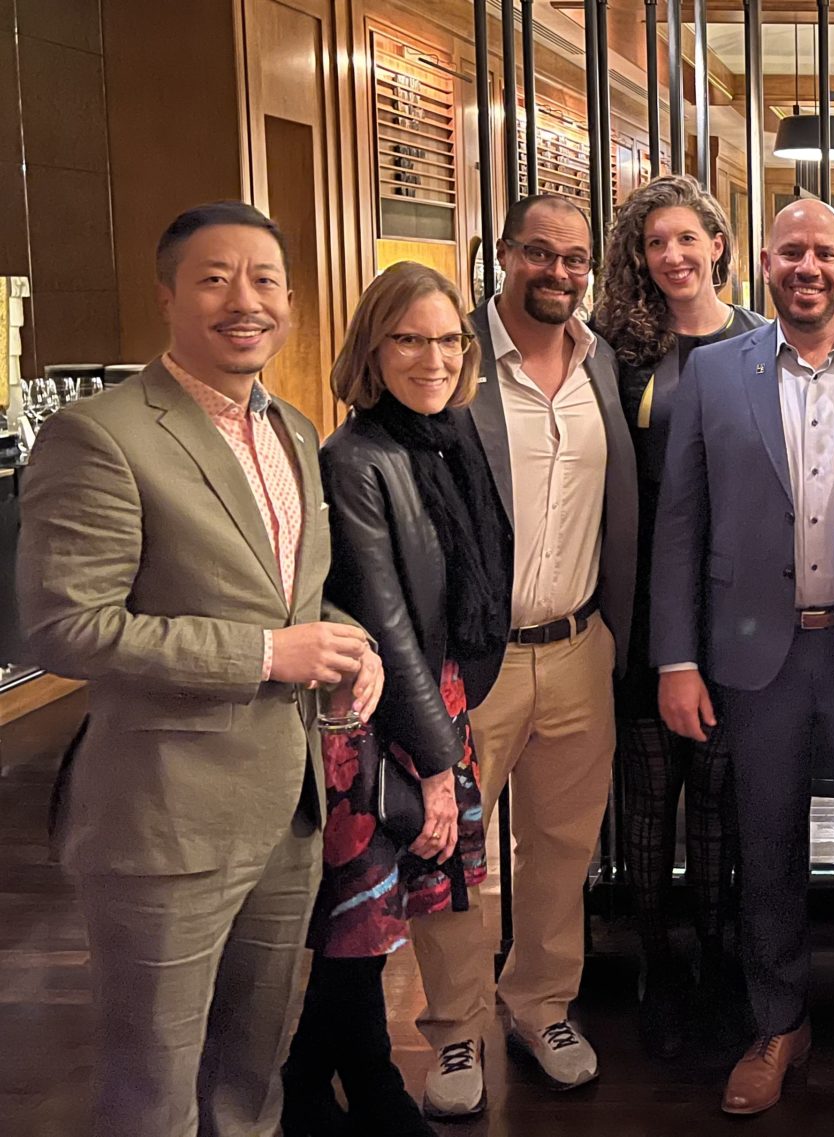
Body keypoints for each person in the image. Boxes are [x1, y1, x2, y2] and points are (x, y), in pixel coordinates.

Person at [18, 200, 385, 1137]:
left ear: (291, 302)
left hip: (285, 812)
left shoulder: (294, 431)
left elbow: (292, 598)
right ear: (169, 295)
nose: (243, 300)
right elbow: (68, 625)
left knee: (250, 1079)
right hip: (162, 817)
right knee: (154, 1087)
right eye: (215, 278)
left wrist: (350, 643)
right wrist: (270, 655)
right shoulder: (103, 435)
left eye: (264, 281)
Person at [651, 199, 834, 1120]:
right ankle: (778, 1022)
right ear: (764, 264)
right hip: (754, 661)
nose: (808, 265)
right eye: (791, 252)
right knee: (766, 848)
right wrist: (675, 659)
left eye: (825, 251)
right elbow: (680, 523)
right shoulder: (711, 370)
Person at [407, 192, 638, 1116]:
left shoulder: (602, 361)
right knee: (455, 848)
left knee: (562, 845)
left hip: (579, 645)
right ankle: (455, 1028)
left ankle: (540, 1003)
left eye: (576, 259)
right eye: (539, 254)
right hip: (472, 659)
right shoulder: (449, 360)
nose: (559, 272)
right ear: (503, 255)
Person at [282, 262, 509, 1136]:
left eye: (450, 338)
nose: (435, 356)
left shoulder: (447, 435)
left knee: (376, 927)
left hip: (432, 702)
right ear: (372, 348)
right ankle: (341, 1088)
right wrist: (441, 768)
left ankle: (335, 1084)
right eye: (410, 338)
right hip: (375, 720)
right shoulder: (356, 456)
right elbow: (386, 617)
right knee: (361, 919)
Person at [594, 173, 766, 1059]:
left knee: (722, 798)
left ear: (718, 244)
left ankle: (718, 952)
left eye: (685, 239)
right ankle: (654, 960)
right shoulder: (617, 351)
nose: (672, 256)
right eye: (654, 243)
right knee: (650, 794)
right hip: (640, 595)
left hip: (735, 602)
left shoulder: (761, 344)